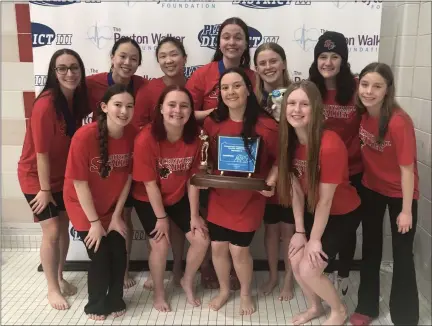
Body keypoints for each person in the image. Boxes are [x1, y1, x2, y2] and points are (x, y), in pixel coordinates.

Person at [277, 80, 361, 325]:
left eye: (304, 104)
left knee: (309, 268)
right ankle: (315, 307)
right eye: (291, 103)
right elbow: (296, 192)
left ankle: (338, 310)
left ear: (316, 109)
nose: (296, 109)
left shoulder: (330, 144)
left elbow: (326, 201)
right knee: (295, 259)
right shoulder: (290, 143)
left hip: (342, 213)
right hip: (316, 210)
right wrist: (300, 232)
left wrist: (314, 240)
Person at [186, 16, 256, 290]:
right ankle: (209, 268)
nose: (232, 42)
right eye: (226, 36)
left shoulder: (252, 77)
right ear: (219, 42)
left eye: (238, 37)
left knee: (239, 211)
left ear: (246, 43)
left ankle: (237, 269)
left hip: (243, 155)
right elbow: (186, 112)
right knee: (209, 213)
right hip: (208, 153)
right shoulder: (203, 74)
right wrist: (217, 113)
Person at [17, 48, 89, 310]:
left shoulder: (75, 99)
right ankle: (51, 288)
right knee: (52, 231)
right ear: (53, 72)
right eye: (62, 68)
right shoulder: (45, 104)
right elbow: (41, 153)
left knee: (64, 228)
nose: (69, 73)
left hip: (62, 176)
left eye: (74, 68)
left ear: (81, 71)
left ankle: (59, 277)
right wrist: (45, 190)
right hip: (36, 177)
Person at [203, 67, 278, 315]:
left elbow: (281, 159)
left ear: (248, 89)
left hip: (250, 197)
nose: (230, 92)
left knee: (239, 249)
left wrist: (272, 180)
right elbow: (207, 159)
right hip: (220, 196)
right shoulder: (212, 122)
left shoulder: (267, 124)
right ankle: (225, 290)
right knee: (217, 247)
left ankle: (245, 293)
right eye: (224, 87)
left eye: (236, 86)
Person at [350, 62, 419, 326]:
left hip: (400, 194)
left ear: (387, 90)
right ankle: (366, 307)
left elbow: (407, 171)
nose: (369, 91)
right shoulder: (363, 113)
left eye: (377, 86)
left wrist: (405, 211)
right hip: (371, 189)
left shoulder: (399, 122)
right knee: (370, 248)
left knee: (403, 254)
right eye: (365, 84)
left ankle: (405, 316)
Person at [132, 85, 209, 312]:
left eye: (184, 105)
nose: (178, 110)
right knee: (160, 244)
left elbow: (193, 179)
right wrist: (161, 217)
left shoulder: (195, 138)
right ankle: (159, 292)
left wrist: (194, 215)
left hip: (178, 196)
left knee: (201, 239)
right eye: (172, 105)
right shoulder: (146, 139)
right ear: (161, 109)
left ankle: (186, 279)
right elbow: (149, 184)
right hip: (148, 199)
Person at [64, 84, 136, 321]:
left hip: (110, 205)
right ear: (104, 107)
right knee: (100, 254)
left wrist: (116, 215)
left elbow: (127, 178)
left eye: (129, 106)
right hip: (82, 205)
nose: (124, 111)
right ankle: (95, 304)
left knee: (118, 251)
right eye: (118, 105)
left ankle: (115, 299)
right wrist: (95, 223)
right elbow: (79, 184)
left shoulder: (132, 134)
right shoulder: (84, 136)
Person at [86, 36, 146, 289]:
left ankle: (123, 268)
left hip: (129, 164)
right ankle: (104, 268)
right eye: (122, 56)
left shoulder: (143, 86)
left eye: (134, 59)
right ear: (112, 57)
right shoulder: (91, 84)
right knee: (100, 216)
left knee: (124, 216)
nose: (127, 62)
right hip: (98, 165)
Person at [308, 31, 362, 296]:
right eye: (322, 56)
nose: (328, 62)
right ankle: (324, 273)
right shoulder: (311, 89)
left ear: (344, 59)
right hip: (321, 172)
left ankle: (344, 272)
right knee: (324, 221)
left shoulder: (356, 89)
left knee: (347, 226)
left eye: (334, 56)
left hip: (353, 170)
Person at [134, 37, 189, 291]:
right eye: (163, 56)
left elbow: (194, 122)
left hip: (181, 174)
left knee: (181, 231)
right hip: (152, 170)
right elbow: (138, 128)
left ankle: (179, 271)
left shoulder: (193, 86)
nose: (169, 60)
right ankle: (156, 277)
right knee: (158, 233)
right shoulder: (147, 90)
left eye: (174, 54)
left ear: (184, 58)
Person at [253, 42, 295, 301]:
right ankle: (272, 275)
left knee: (289, 229)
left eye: (273, 61)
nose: (268, 67)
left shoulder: (297, 95)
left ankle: (289, 280)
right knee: (270, 229)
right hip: (263, 175)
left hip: (291, 173)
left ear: (283, 63)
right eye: (262, 63)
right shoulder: (253, 100)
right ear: (256, 69)